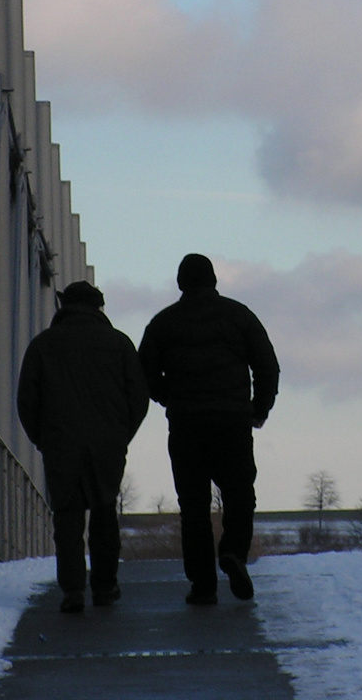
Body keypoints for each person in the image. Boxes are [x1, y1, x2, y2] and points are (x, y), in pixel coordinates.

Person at [138, 253, 279, 606]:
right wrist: (258, 409)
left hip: (187, 425)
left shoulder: (163, 323)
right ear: (214, 280)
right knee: (239, 494)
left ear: (180, 283)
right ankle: (233, 552)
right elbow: (267, 366)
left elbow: (144, 374)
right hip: (232, 422)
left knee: (194, 505)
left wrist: (169, 398)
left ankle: (203, 584)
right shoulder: (239, 316)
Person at [17, 280, 149, 613]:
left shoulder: (43, 345)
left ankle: (73, 590)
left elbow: (26, 402)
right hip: (107, 444)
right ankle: (105, 587)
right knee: (105, 513)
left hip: (61, 443)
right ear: (98, 307)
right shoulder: (119, 344)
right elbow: (139, 398)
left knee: (68, 518)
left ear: (64, 306)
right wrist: (121, 434)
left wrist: (44, 439)